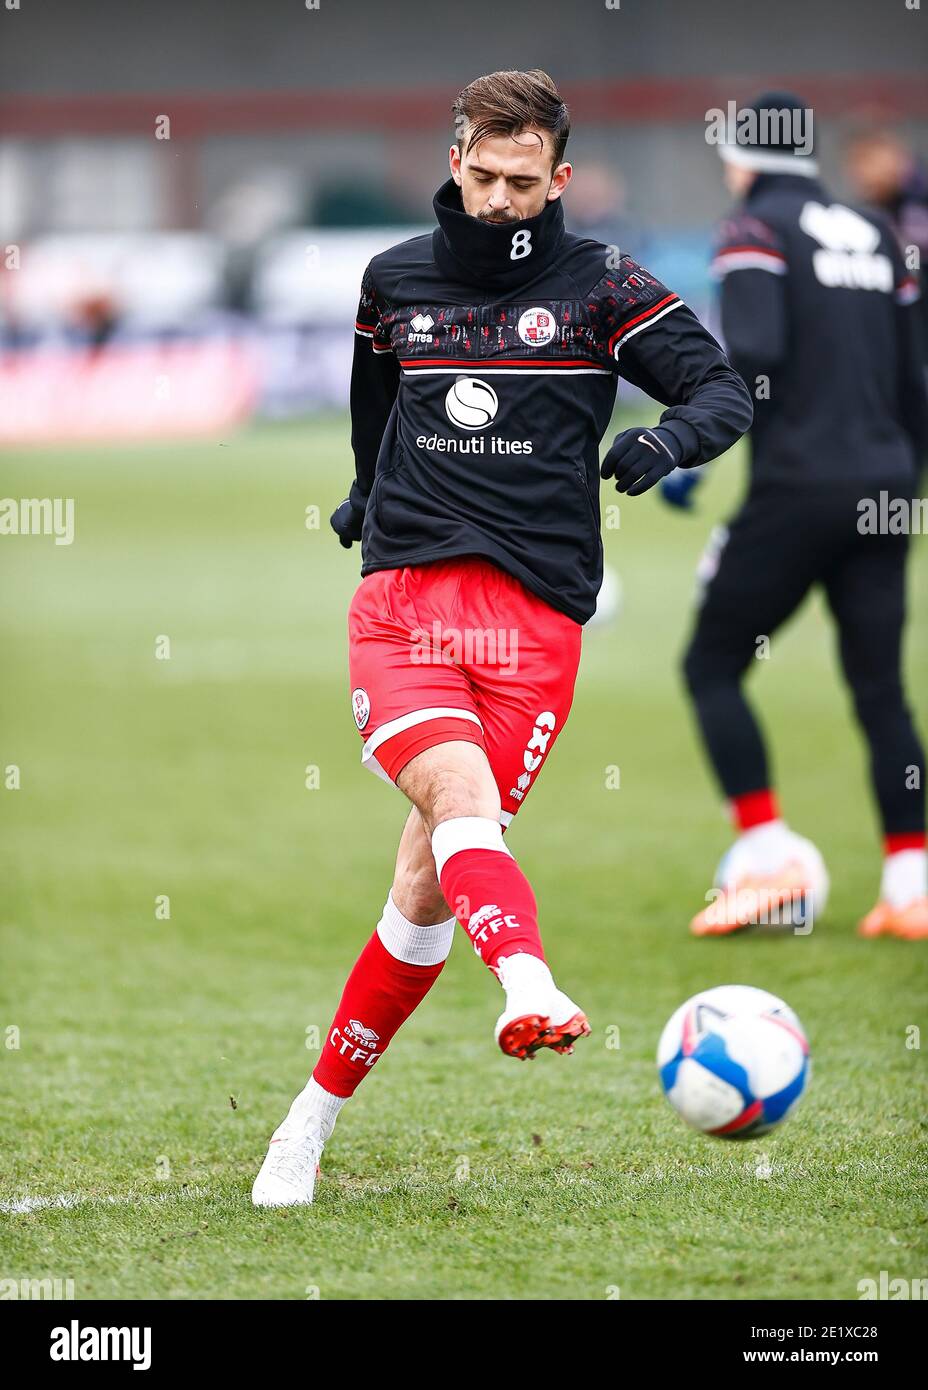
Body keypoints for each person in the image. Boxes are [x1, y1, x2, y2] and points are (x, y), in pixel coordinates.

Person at [252, 69, 752, 1207]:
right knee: (462, 804)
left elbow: (721, 389)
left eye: (523, 183)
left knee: (427, 883)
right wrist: (361, 495)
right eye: (480, 175)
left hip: (537, 626)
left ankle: (309, 1112)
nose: (497, 200)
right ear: (455, 159)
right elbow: (374, 406)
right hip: (406, 606)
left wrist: (668, 443)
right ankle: (528, 983)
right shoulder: (395, 281)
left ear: (559, 179)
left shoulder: (601, 285)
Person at [673, 92, 928, 940]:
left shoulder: (752, 232)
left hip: (797, 487)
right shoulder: (879, 233)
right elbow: (915, 379)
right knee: (881, 689)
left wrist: (686, 442)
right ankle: (909, 884)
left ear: (746, 157)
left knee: (712, 664)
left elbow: (753, 355)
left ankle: (768, 857)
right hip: (887, 488)